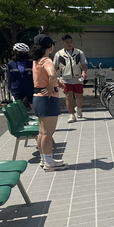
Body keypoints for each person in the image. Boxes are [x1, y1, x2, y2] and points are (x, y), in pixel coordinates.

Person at [31, 34, 68, 172]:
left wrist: (56, 82)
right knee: (48, 133)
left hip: (38, 97)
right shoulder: (46, 60)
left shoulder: (36, 61)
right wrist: (51, 86)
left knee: (42, 132)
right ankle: (49, 162)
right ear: (49, 46)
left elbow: (45, 76)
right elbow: (52, 74)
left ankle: (44, 159)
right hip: (47, 98)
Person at [53, 34, 88, 123]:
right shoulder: (59, 54)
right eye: (67, 42)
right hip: (65, 78)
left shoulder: (79, 52)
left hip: (78, 78)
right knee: (68, 96)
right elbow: (55, 67)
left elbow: (84, 64)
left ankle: (78, 108)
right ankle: (71, 115)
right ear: (63, 43)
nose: (69, 44)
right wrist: (56, 78)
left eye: (71, 42)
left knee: (79, 96)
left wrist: (84, 72)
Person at [6, 43, 34, 111]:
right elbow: (9, 77)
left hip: (29, 89)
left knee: (34, 108)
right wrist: (9, 88)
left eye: (24, 52)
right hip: (17, 89)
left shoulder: (31, 63)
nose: (22, 54)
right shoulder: (11, 64)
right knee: (18, 110)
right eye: (20, 52)